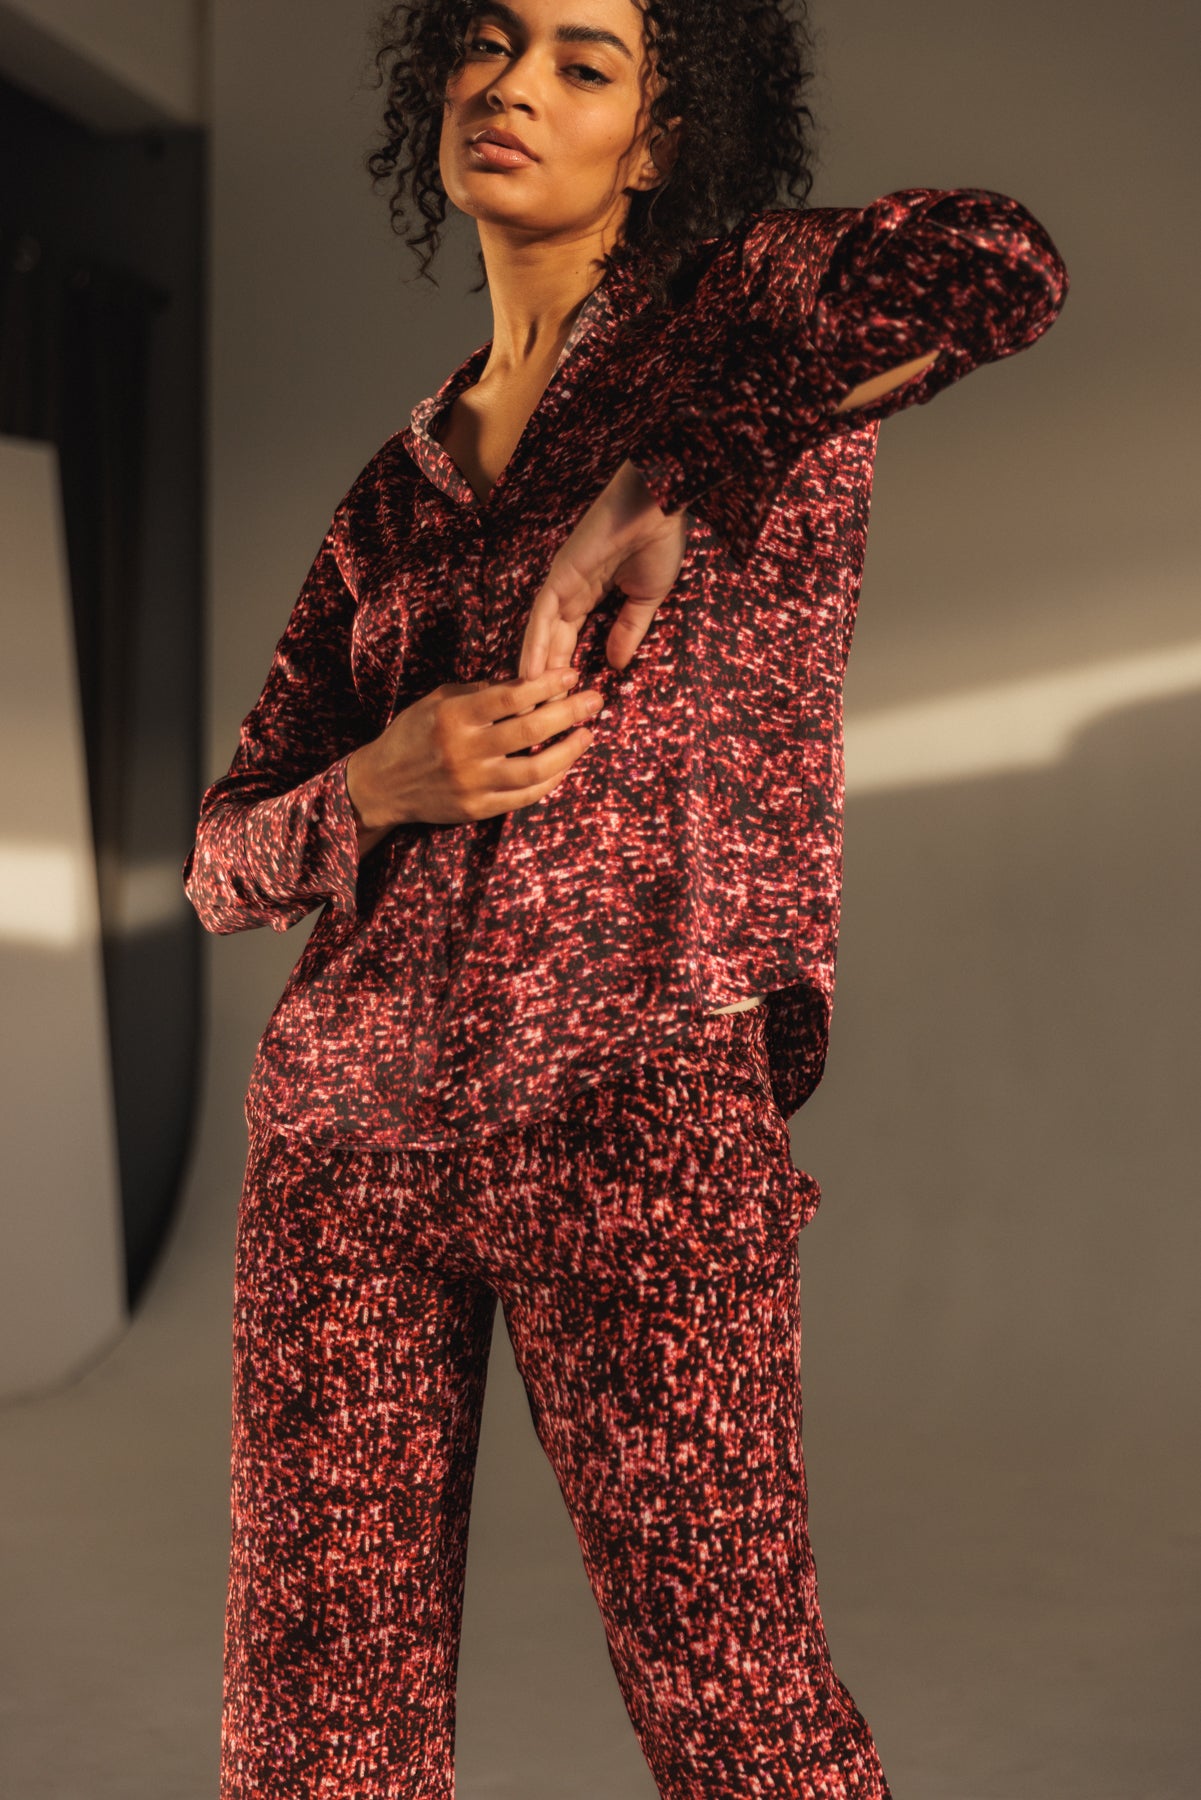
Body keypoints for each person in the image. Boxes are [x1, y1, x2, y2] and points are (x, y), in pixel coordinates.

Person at [184, 3, 1070, 1795]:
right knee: (312, 1727)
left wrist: (675, 478)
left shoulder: (742, 320)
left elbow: (1001, 265)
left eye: (583, 64)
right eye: (494, 45)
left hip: (641, 1104)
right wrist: (378, 780)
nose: (514, 87)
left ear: (659, 136)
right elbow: (219, 860)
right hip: (348, 1140)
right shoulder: (393, 490)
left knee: (738, 1707)